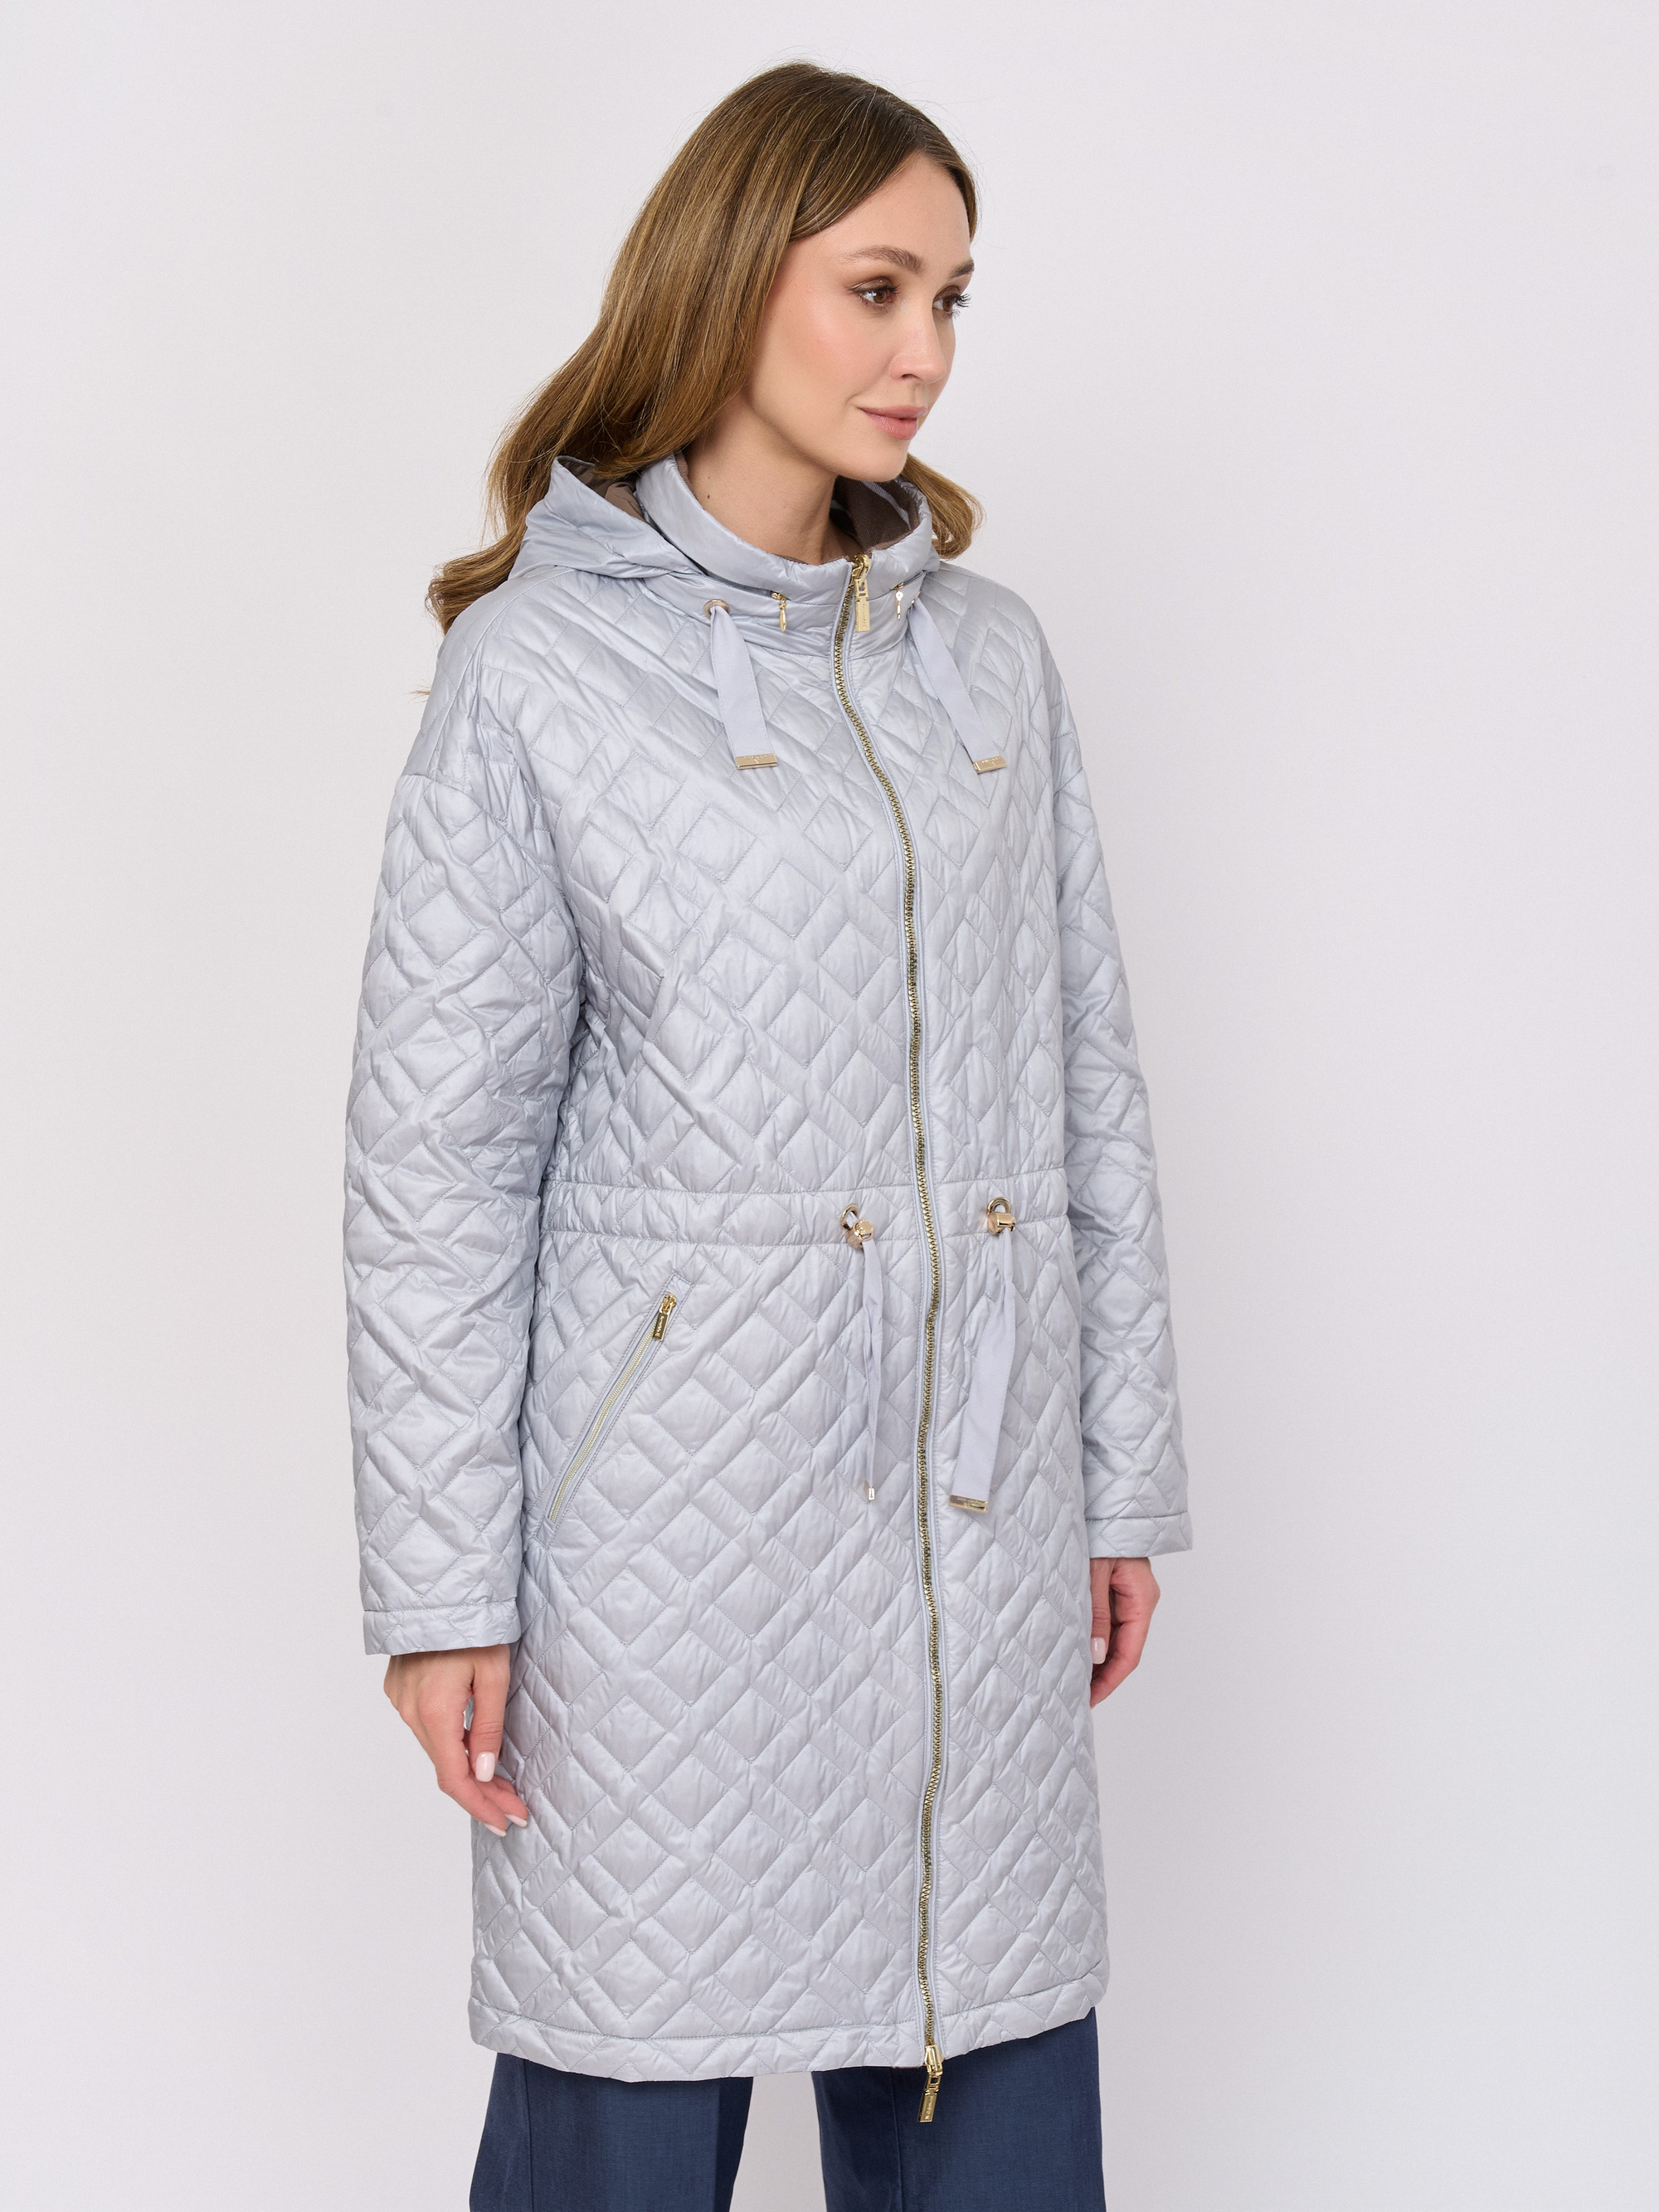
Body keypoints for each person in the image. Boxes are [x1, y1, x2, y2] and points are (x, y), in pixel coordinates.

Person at [344, 61, 1190, 2212]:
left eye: (952, 298)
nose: (926, 351)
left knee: (988, 2069)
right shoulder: (538, 674)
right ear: (734, 280)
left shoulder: (991, 662)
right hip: (664, 1547)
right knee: (625, 2100)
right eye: (876, 287)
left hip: (976, 1511)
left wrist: (1116, 1474)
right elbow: (440, 1166)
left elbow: (1086, 1082)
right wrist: (441, 1586)